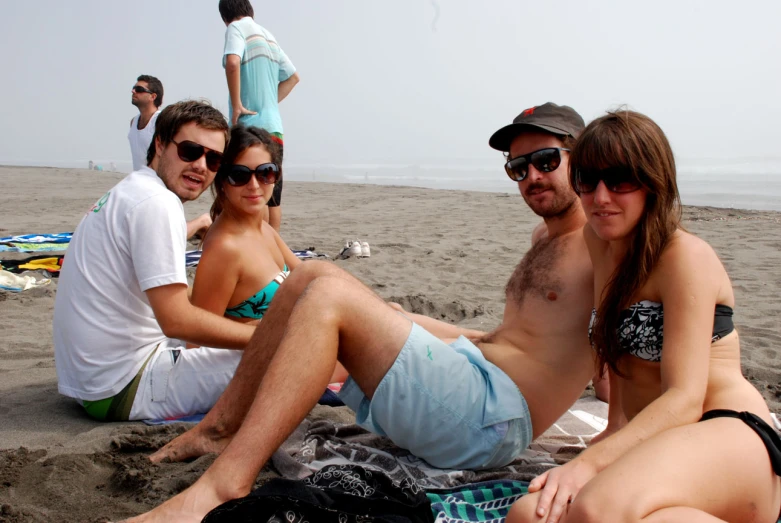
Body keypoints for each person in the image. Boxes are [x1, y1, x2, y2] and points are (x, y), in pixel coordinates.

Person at [121, 103, 602, 523]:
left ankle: (224, 485)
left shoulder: (602, 244)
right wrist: (433, 326)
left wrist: (611, 443)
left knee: (330, 300)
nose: (532, 177)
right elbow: (519, 338)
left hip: (491, 422)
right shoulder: (545, 239)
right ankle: (218, 427)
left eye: (545, 161)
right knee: (312, 275)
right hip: (474, 382)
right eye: (519, 168)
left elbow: (626, 343)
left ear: (581, 157)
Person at [507, 110, 781, 523]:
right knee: (529, 515)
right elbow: (617, 349)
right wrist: (613, 428)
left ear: (654, 182)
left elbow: (684, 397)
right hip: (658, 442)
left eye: (620, 180)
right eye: (587, 181)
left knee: (596, 510)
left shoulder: (685, 257)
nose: (600, 198)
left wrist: (591, 464)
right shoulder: (598, 240)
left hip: (725, 431)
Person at [54, 100, 253, 422]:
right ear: (160, 144)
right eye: (190, 151)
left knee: (245, 330)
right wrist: (264, 337)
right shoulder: (157, 203)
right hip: (122, 386)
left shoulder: (132, 190)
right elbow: (176, 321)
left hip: (89, 380)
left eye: (214, 159)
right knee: (293, 352)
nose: (201, 165)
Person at [189, 124, 347, 378]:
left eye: (265, 173)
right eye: (239, 175)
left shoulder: (261, 228)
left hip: (309, 342)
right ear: (222, 180)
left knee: (393, 314)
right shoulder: (225, 249)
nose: (254, 185)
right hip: (283, 363)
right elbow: (196, 343)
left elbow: (311, 276)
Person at [219, 0, 300, 233]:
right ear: (250, 11)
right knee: (272, 193)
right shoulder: (268, 36)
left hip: (250, 127)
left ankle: (254, 245)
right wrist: (269, 104)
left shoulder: (235, 28)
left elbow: (233, 63)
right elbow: (293, 77)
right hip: (274, 127)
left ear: (225, 17)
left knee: (247, 188)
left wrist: (237, 105)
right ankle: (273, 253)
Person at [128, 75, 211, 238]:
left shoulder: (161, 120)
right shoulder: (133, 122)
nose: (133, 91)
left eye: (139, 89)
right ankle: (199, 225)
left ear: (153, 96)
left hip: (160, 185)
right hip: (139, 183)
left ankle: (203, 222)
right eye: (134, 88)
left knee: (161, 234)